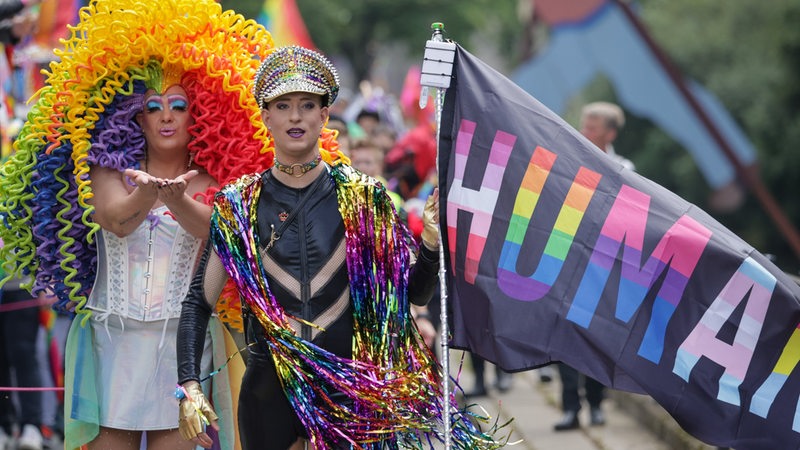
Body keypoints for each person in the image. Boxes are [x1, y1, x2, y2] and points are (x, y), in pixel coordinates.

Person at [176, 46, 505, 450]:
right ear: (265, 116)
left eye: (307, 104)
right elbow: (198, 303)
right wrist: (189, 384)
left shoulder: (364, 200)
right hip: (268, 393)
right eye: (283, 105)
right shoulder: (239, 205)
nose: (295, 116)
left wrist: (432, 242)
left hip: (350, 395)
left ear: (324, 115)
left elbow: (413, 294)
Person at [0, 1, 293, 449]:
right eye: (154, 106)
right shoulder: (106, 171)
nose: (167, 115)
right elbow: (116, 221)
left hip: (184, 347)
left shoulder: (211, 182)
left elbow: (215, 233)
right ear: (137, 117)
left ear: (200, 115)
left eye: (179, 104)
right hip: (111, 341)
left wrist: (176, 199)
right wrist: (151, 192)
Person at [554, 101, 630, 431]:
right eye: (584, 124)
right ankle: (571, 405)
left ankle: (597, 403)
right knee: (562, 334)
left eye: (593, 126)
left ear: (610, 133)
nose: (585, 131)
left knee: (598, 335)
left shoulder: (625, 168)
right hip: (566, 257)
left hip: (604, 264)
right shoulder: (568, 159)